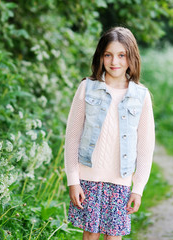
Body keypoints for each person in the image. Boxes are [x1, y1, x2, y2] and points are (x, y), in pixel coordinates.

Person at [64, 26, 155, 240]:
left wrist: (138, 187)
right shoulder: (87, 88)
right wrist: (73, 180)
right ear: (101, 57)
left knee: (114, 237)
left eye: (121, 55)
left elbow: (145, 147)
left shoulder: (141, 96)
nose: (115, 62)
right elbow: (72, 137)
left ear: (131, 57)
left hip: (121, 180)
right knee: (90, 236)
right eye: (108, 55)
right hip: (88, 178)